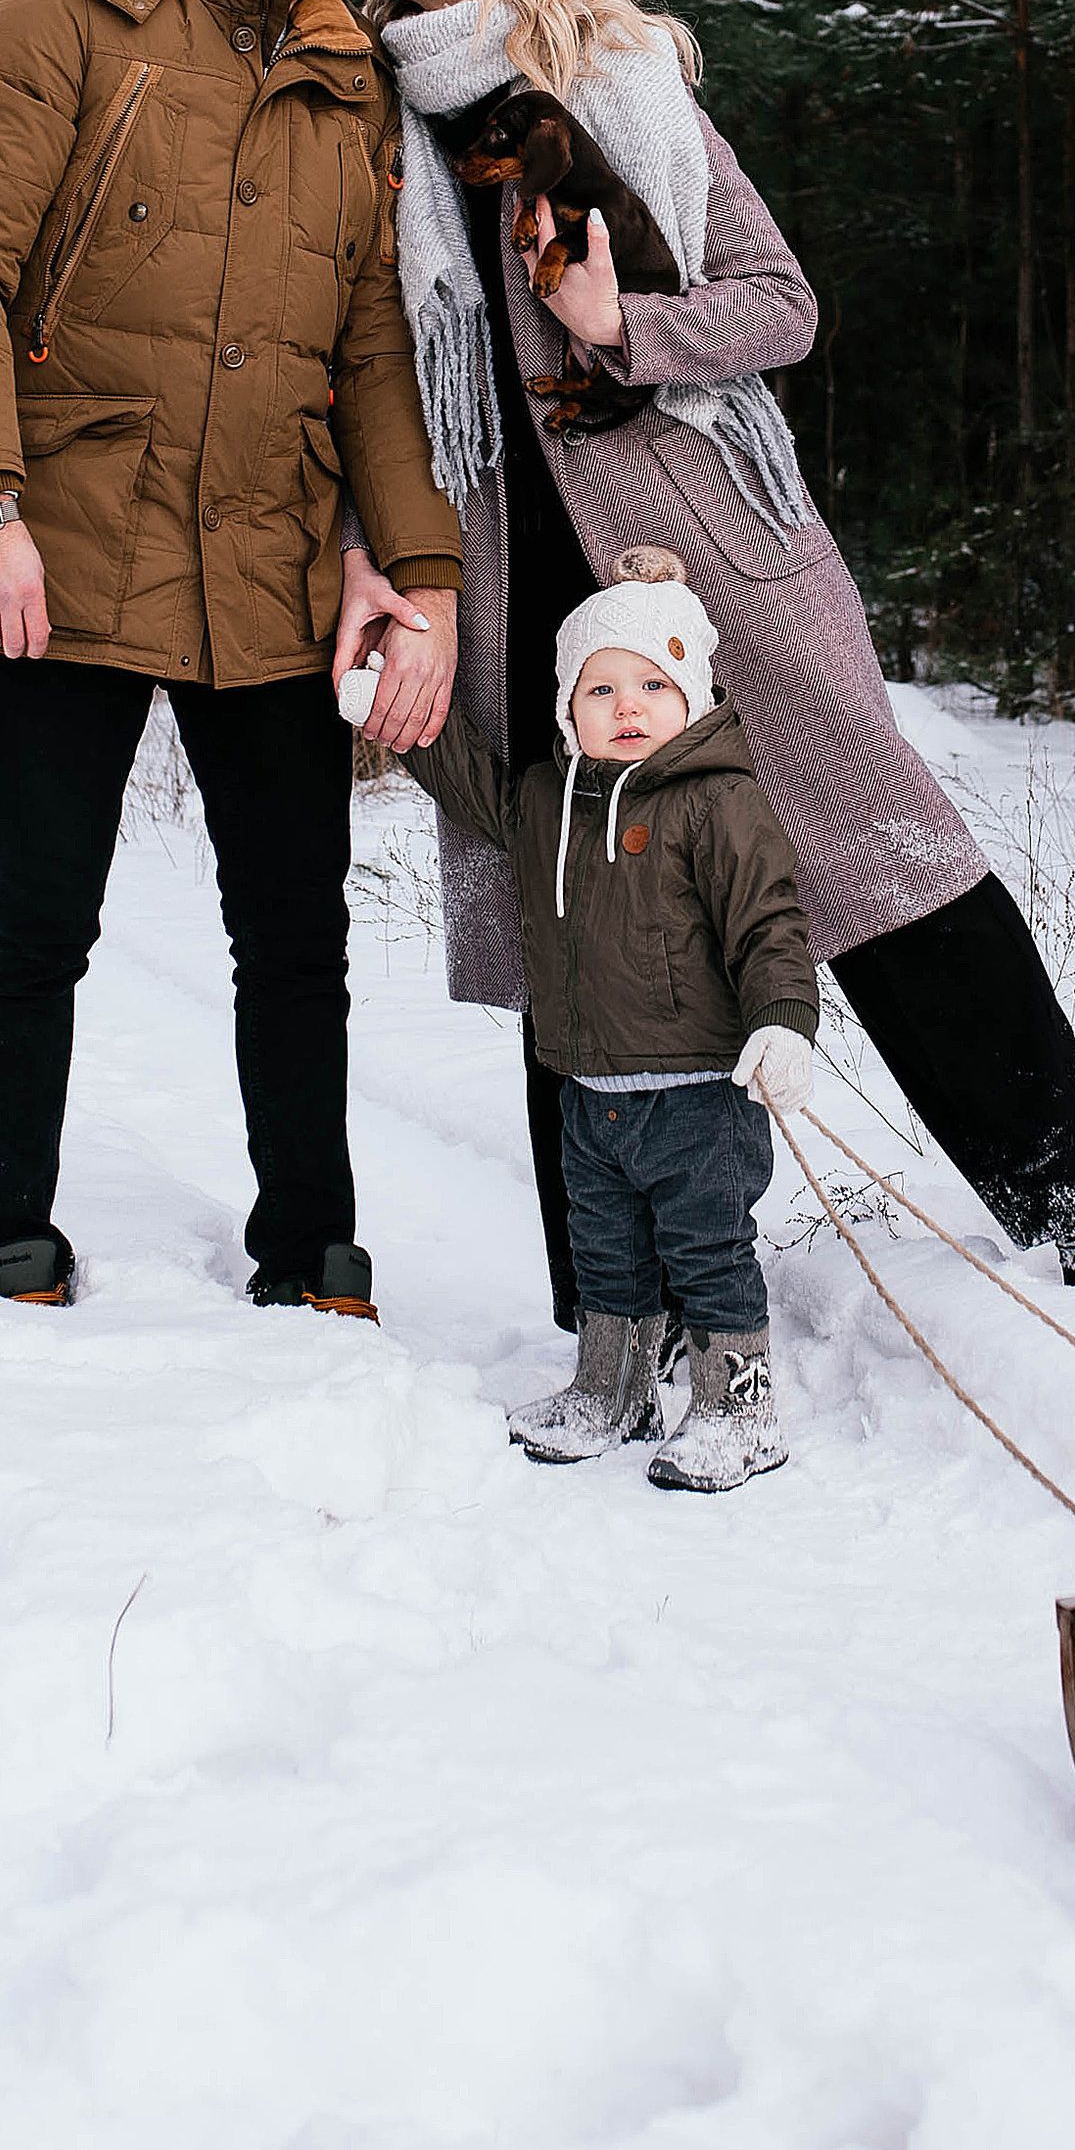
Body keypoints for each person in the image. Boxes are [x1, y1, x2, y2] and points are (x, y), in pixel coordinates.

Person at [355, 0, 1075, 1324]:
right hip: (515, 587)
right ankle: (620, 1300)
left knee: (867, 865)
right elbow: (365, 384)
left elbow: (780, 303)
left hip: (711, 558)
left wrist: (624, 327)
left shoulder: (627, 87)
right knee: (580, 916)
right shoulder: (371, 126)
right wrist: (375, 565)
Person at [0, 0, 462, 1312]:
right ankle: (12, 1224)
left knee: (295, 931)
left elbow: (369, 347)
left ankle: (312, 1245)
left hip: (270, 555)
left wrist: (418, 566)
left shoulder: (349, 71)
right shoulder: (72, 8)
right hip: (69, 542)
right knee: (42, 911)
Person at [374, 545, 816, 1492]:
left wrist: (783, 1019)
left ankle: (740, 1411)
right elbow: (469, 784)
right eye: (600, 689)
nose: (627, 707)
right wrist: (394, 711)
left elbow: (769, 920)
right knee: (605, 1255)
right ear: (567, 708)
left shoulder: (719, 801)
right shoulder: (547, 800)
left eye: (652, 685)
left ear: (691, 694)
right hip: (590, 1092)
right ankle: (612, 1392)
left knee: (708, 1255)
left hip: (701, 1093)